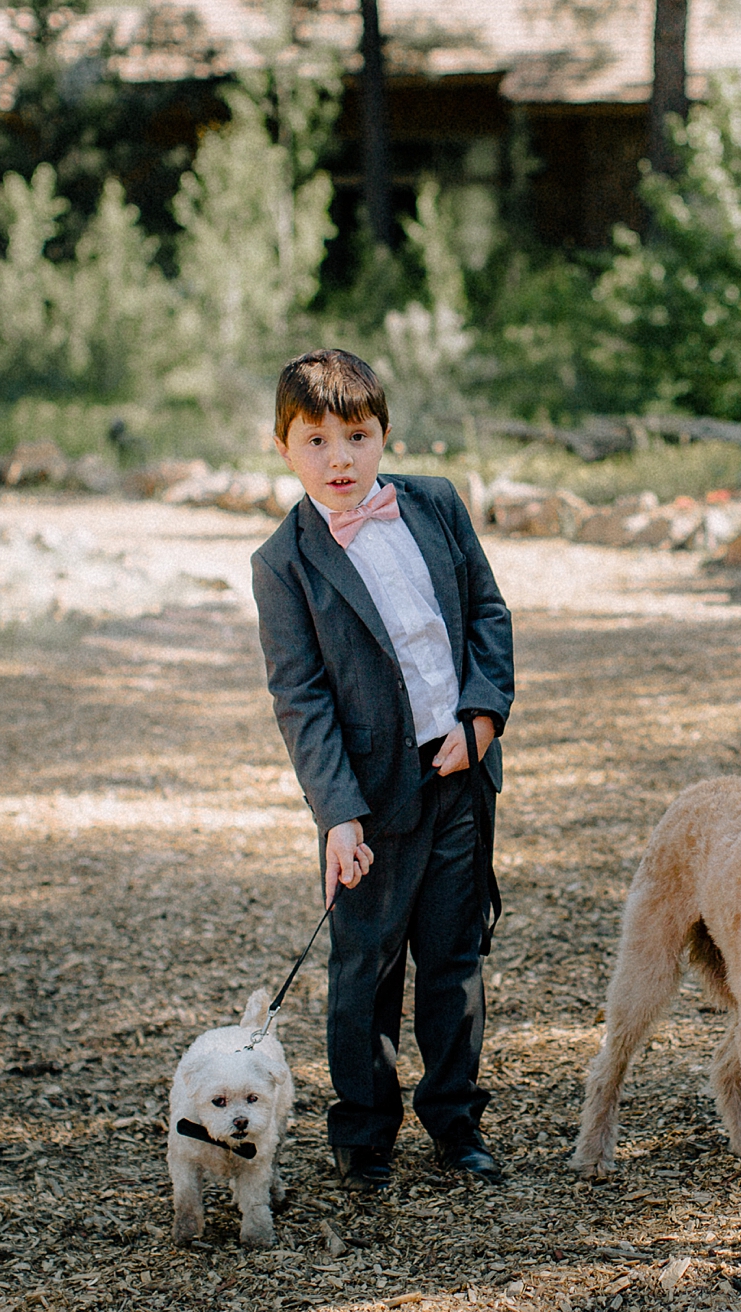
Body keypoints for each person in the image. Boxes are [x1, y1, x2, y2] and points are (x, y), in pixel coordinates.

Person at [250, 349, 515, 1190]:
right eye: (316, 439)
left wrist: (481, 715)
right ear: (284, 447)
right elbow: (302, 698)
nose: (340, 458)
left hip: (460, 772)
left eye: (357, 436)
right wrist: (338, 813)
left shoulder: (435, 503)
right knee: (364, 968)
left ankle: (456, 1120)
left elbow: (487, 614)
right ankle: (363, 1131)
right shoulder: (281, 563)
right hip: (367, 796)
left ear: (383, 434)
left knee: (454, 956)